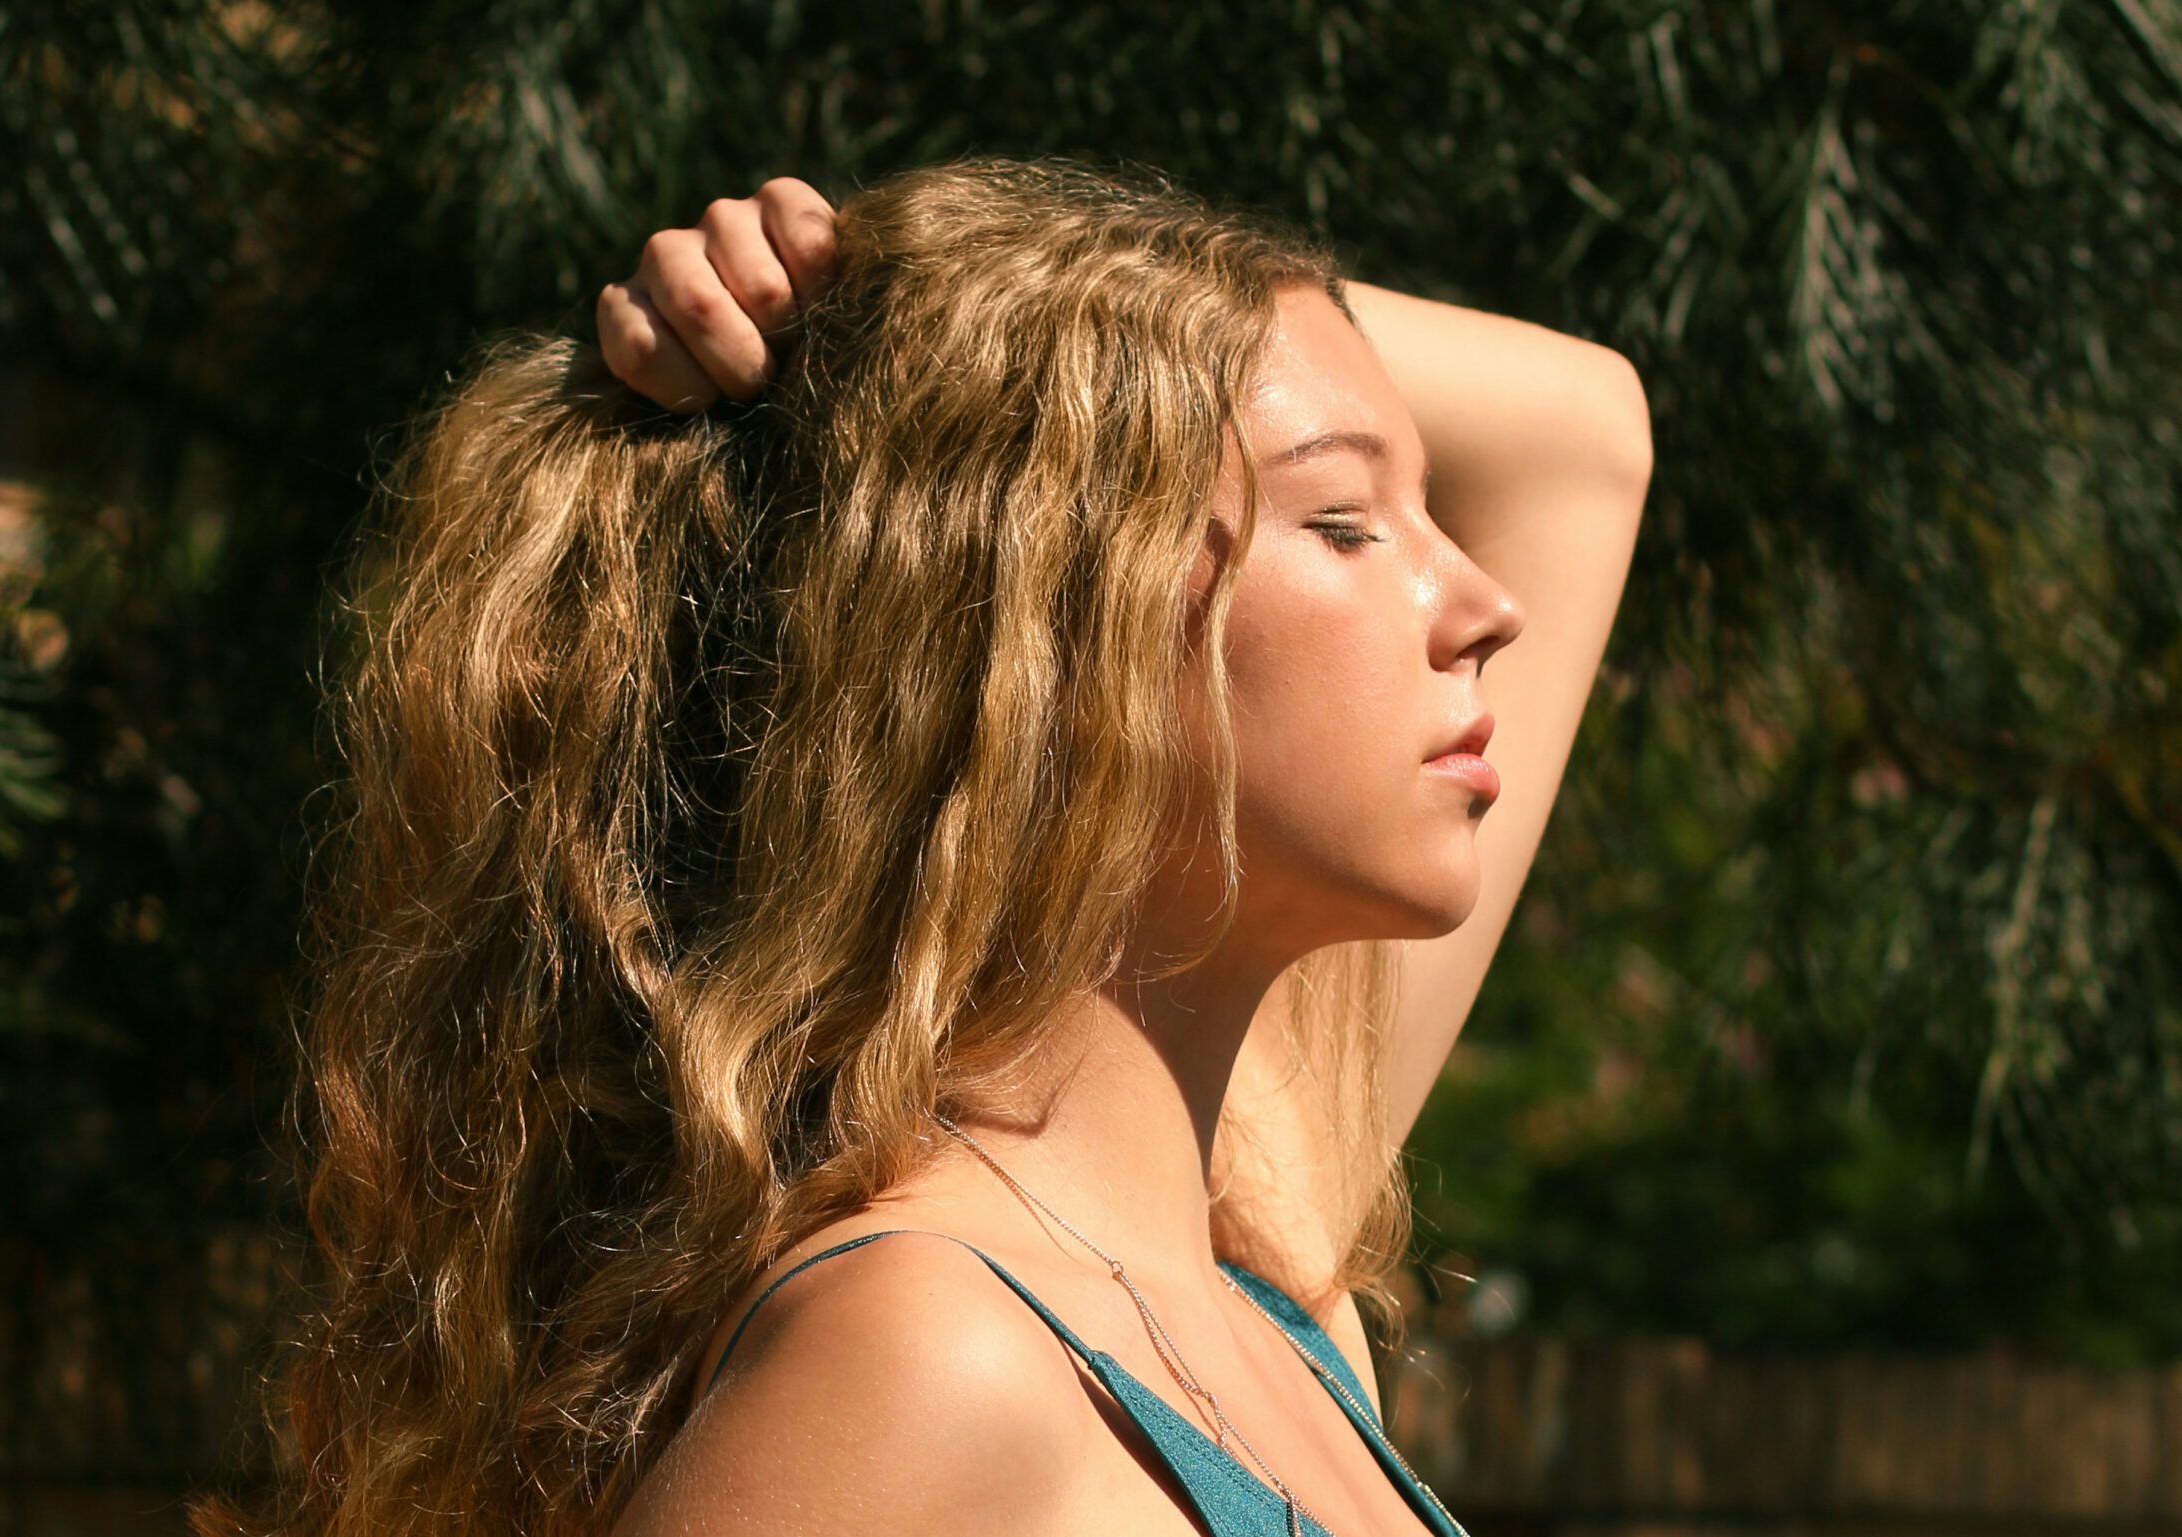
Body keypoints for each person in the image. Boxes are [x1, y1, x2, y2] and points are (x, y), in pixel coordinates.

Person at [192, 155, 1649, 1537]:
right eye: (1343, 521)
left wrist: (897, 286)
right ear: (1044, 628)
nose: (1485, 604)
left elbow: (1581, 436)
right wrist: (917, 325)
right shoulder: (930, 1355)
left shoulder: (1260, 1269)